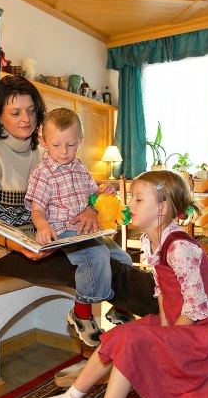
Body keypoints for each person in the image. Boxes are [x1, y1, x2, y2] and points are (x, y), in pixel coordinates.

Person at [0, 75, 208, 331]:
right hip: (4, 251)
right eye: (15, 112)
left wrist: (89, 209)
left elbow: (75, 194)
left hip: (50, 237)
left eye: (31, 110)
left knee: (118, 256)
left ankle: (190, 304)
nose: (25, 118)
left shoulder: (44, 150)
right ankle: (207, 301)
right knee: (110, 270)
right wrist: (18, 245)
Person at [29, 170, 208, 398]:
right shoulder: (151, 240)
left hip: (200, 334)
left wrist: (169, 341)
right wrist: (164, 331)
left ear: (163, 207)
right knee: (118, 336)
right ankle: (72, 397)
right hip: (178, 324)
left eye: (138, 200)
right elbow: (164, 292)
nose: (129, 205)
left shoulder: (180, 248)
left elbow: (193, 306)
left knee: (132, 344)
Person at [26, 107, 133, 347]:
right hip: (63, 232)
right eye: (56, 145)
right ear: (44, 142)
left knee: (123, 257)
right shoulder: (42, 174)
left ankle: (121, 308)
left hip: (88, 230)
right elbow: (37, 209)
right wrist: (42, 226)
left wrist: (103, 191)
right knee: (96, 253)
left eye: (70, 145)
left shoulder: (80, 168)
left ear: (80, 142)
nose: (63, 152)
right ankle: (82, 312)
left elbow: (93, 196)